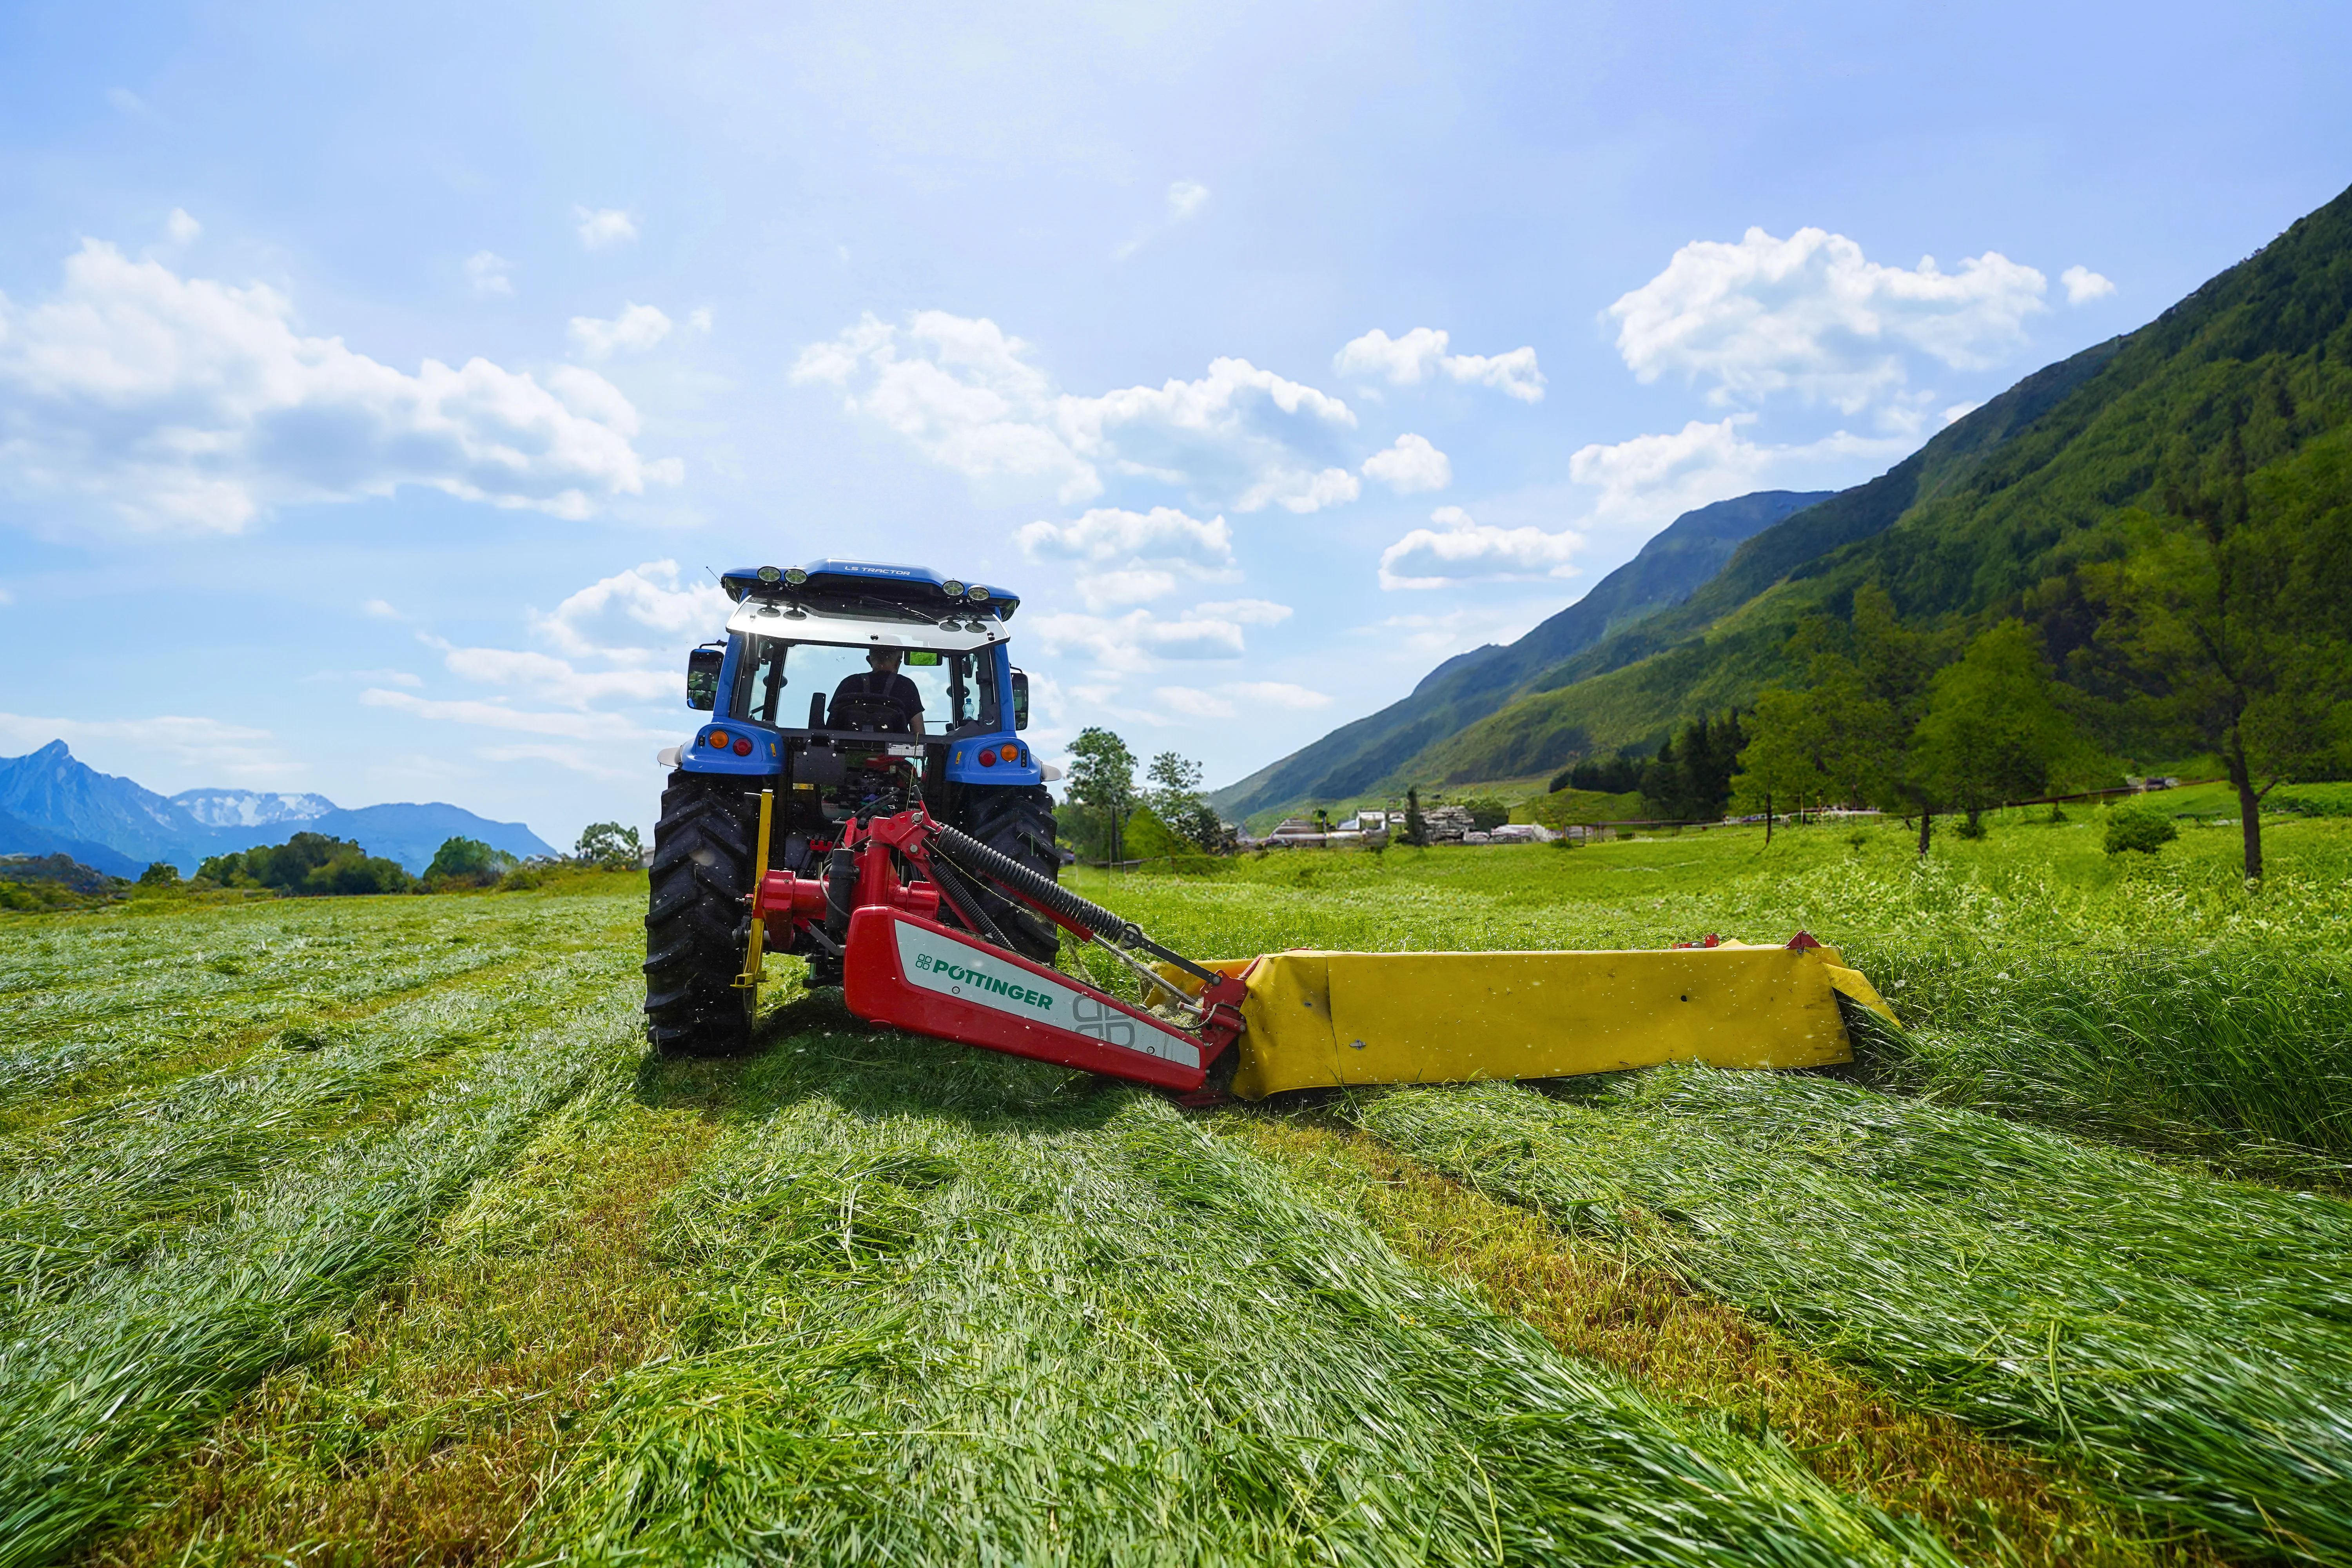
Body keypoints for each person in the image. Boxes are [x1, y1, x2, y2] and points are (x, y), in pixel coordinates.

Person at [829, 646, 926, 734]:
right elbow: (919, 734)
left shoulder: (848, 683)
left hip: (846, 753)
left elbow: (830, 728)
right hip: (892, 754)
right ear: (898, 662)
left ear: (869, 660)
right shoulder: (907, 686)